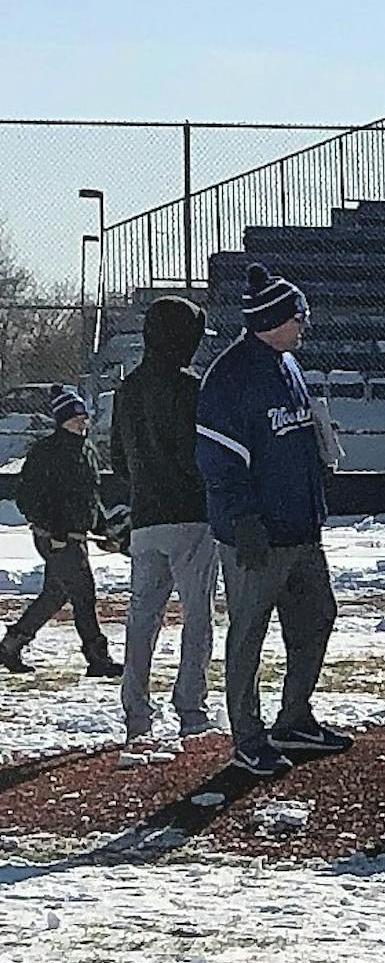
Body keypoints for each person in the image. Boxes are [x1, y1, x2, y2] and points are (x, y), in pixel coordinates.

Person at [194, 264, 345, 776]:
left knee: (317, 617)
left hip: (301, 529)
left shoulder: (288, 365)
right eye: (298, 316)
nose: (304, 324)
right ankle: (247, 736)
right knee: (248, 635)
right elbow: (217, 461)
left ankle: (294, 719)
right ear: (275, 318)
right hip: (255, 536)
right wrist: (243, 520)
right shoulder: (231, 375)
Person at [110, 295, 218, 739]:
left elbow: (118, 459)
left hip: (146, 518)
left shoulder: (127, 388)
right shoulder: (191, 388)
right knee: (197, 616)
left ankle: (137, 711)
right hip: (190, 517)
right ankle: (190, 708)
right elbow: (201, 457)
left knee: (142, 616)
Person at [1, 386, 123, 679]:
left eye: (84, 416)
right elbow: (29, 497)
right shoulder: (47, 452)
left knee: (55, 595)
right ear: (62, 419)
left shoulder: (87, 449)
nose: (82, 421)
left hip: (76, 535)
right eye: (76, 417)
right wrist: (53, 529)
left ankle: (11, 644)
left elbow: (90, 497)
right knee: (84, 593)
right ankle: (98, 658)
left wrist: (103, 528)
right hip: (55, 537)